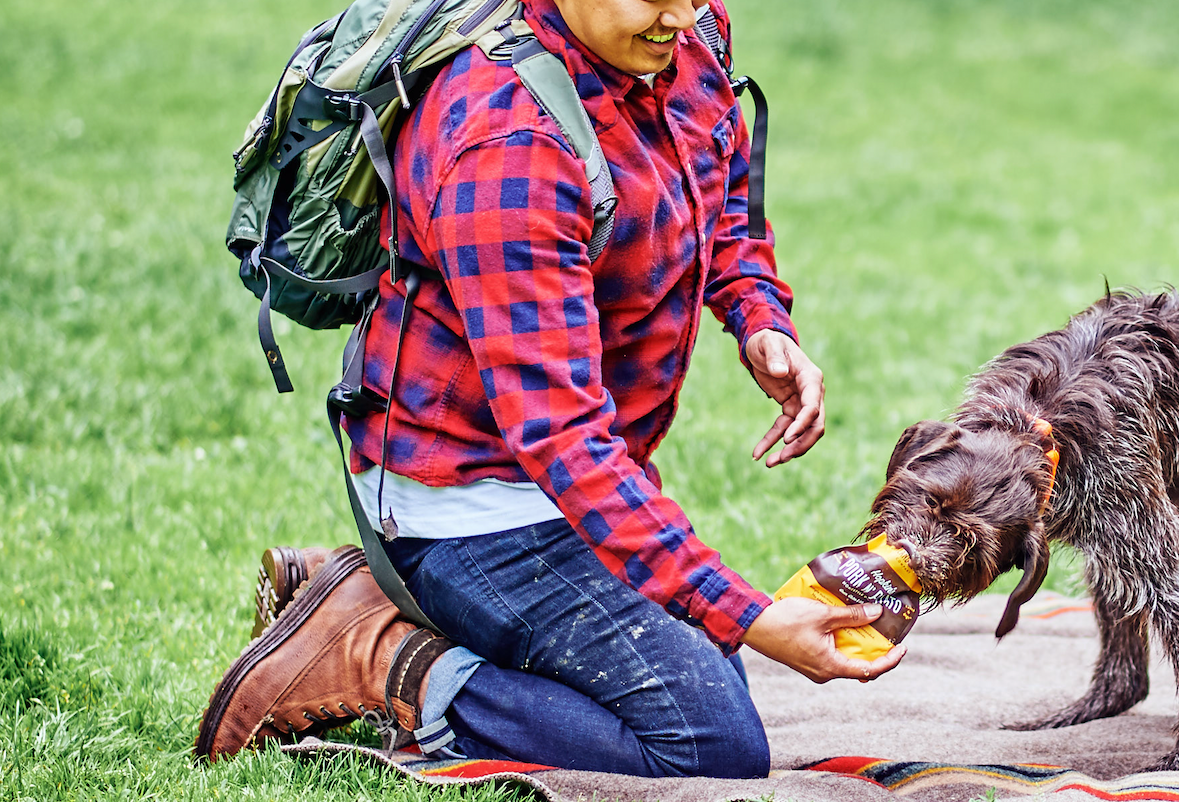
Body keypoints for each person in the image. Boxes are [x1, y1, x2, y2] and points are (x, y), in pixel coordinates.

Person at [195, 0, 904, 777]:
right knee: (708, 747)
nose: (679, 13)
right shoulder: (507, 139)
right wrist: (750, 615)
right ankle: (376, 652)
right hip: (467, 504)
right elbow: (562, 437)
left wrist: (756, 313)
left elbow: (721, 188)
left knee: (704, 686)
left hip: (576, 479)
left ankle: (373, 604)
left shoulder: (677, 35)